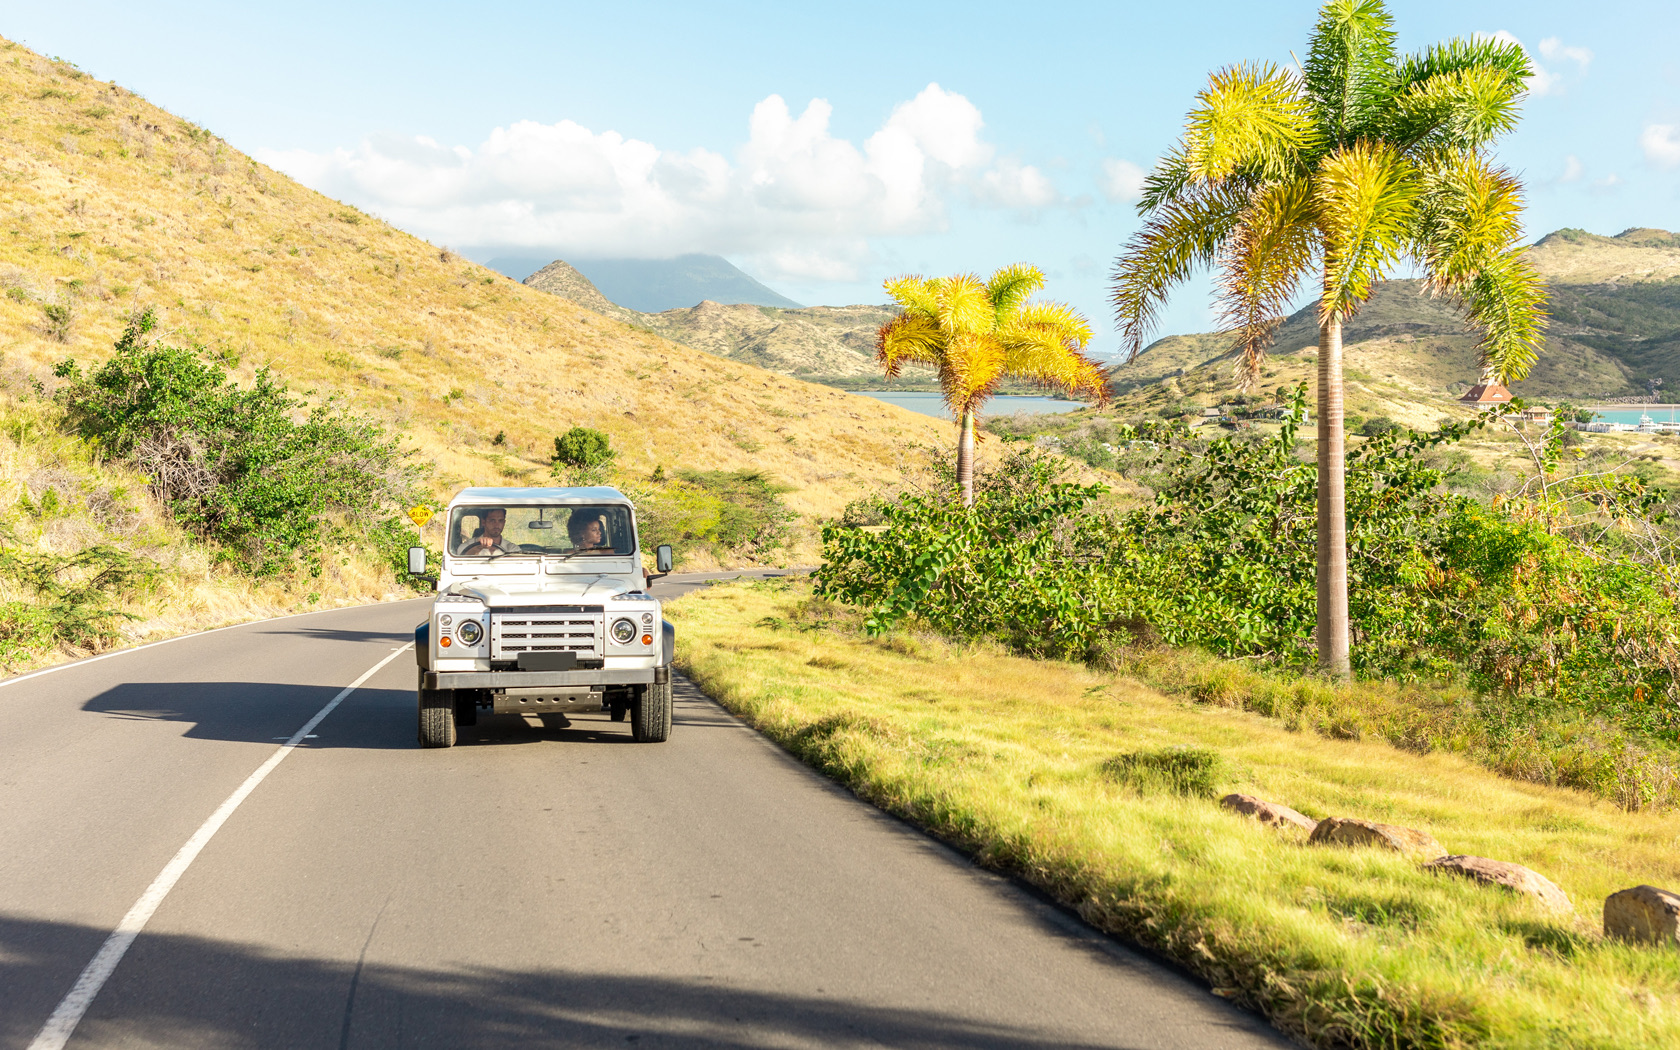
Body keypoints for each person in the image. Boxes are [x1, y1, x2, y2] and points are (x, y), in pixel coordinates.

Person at [456, 507, 520, 556]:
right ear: (483, 522)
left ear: (504, 522)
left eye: (500, 521)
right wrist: (478, 547)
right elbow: (459, 556)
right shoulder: (470, 545)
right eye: (492, 520)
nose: (497, 525)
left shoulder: (512, 549)